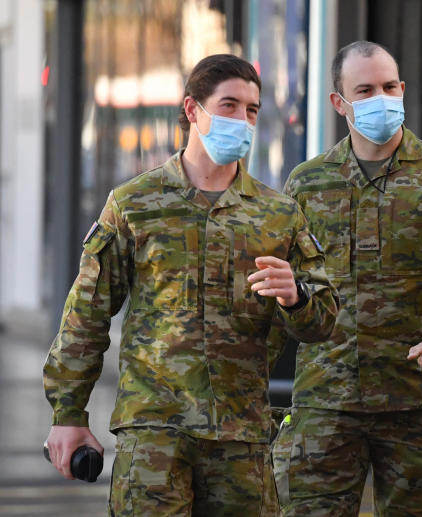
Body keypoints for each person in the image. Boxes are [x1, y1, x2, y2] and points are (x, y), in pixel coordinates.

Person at [43, 54, 340, 516]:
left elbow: (325, 322)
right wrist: (67, 415)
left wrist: (296, 295)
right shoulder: (134, 205)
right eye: (229, 105)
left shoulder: (279, 215)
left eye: (251, 110)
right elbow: (86, 315)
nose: (241, 120)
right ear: (191, 110)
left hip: (243, 438)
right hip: (155, 434)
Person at [273, 41, 422, 516]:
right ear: (340, 103)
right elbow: (285, 286)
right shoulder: (308, 183)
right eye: (365, 89)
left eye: (389, 86)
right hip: (326, 402)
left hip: (416, 400)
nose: (382, 97)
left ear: (402, 89)